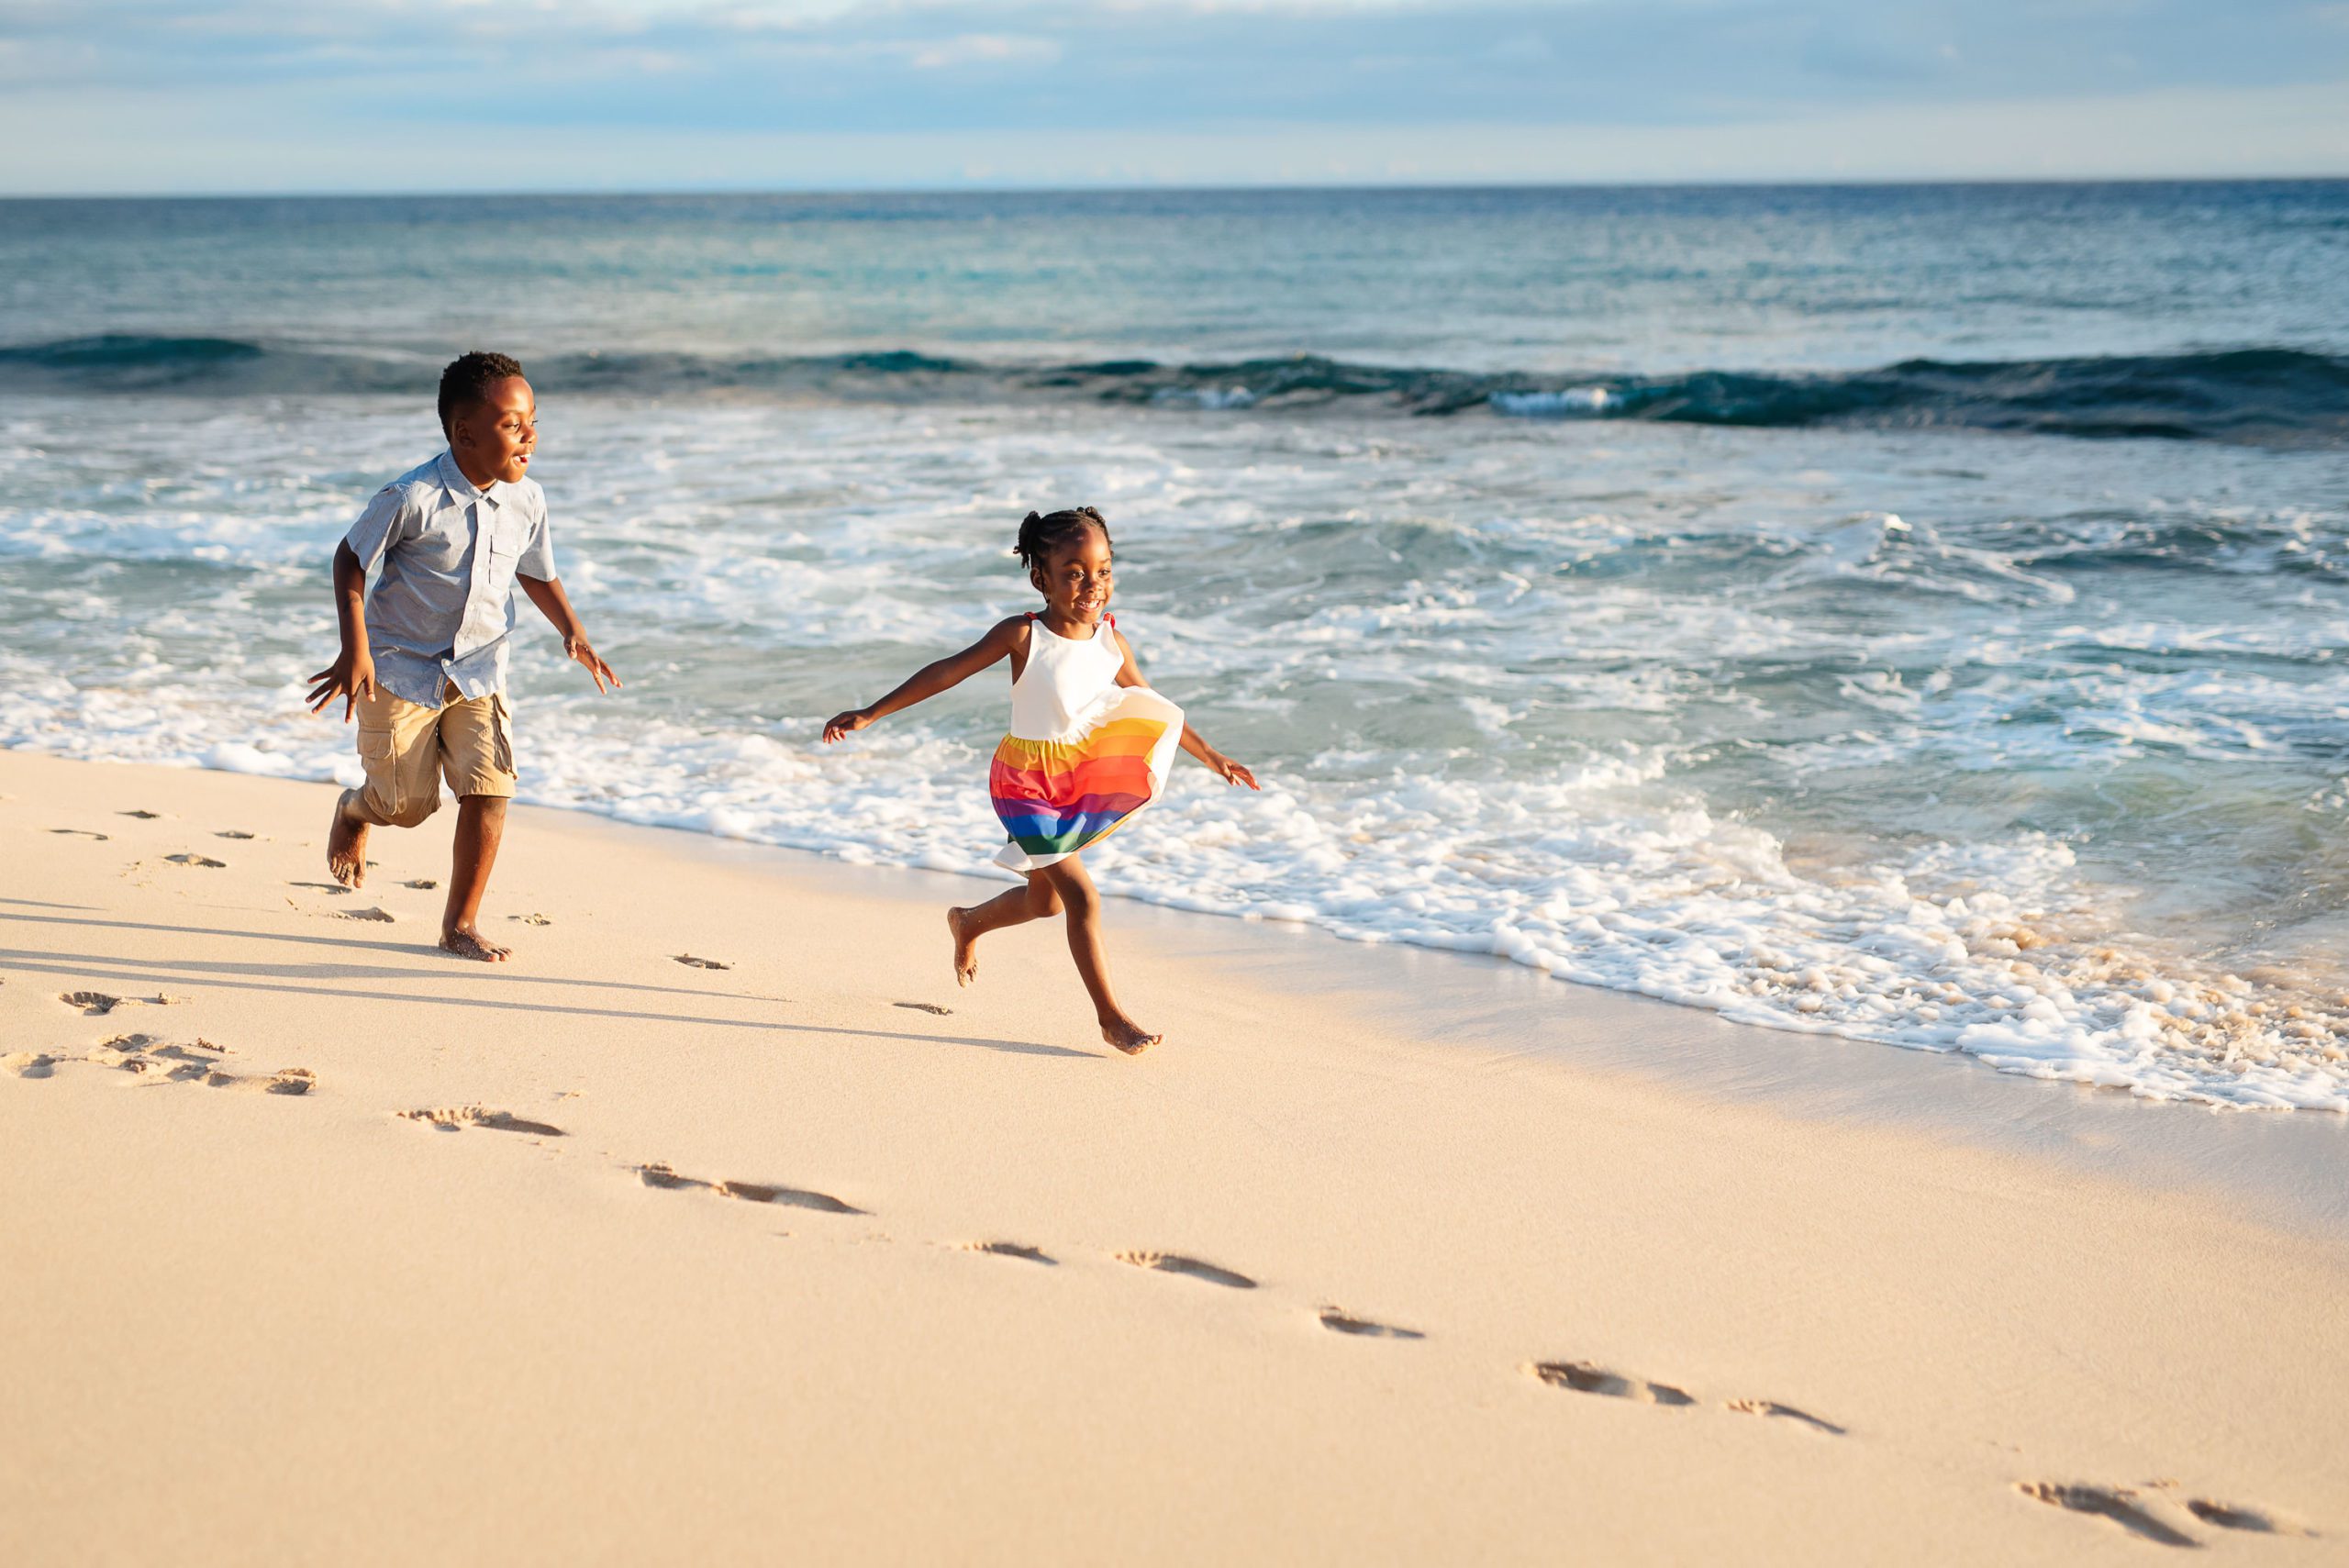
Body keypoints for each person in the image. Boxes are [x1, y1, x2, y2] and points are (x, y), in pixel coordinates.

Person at [823, 506, 1257, 1054]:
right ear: (1041, 579)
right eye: (1074, 573)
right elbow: (946, 671)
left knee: (1046, 904)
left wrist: (1212, 754)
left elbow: (1153, 705)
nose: (1092, 585)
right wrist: (871, 712)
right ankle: (1111, 1019)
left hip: (1074, 779)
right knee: (1082, 899)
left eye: (1102, 570)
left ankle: (968, 922)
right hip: (1023, 782)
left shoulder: (1111, 642)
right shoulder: (1023, 634)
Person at [305, 350, 619, 962]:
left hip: (480, 670)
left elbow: (536, 572)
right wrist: (355, 649)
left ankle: (460, 925)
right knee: (408, 806)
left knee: (490, 787)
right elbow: (350, 559)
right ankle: (355, 809)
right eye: (511, 424)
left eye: (533, 419)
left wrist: (572, 629)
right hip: (398, 670)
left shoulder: (528, 500)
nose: (530, 434)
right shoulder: (411, 496)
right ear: (464, 433)